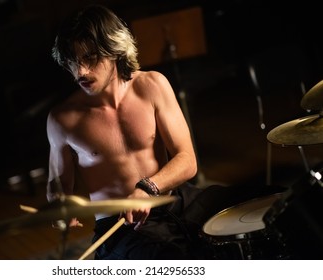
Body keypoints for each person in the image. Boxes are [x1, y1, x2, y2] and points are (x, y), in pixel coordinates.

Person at [46, 4, 219, 260]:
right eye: (72, 61)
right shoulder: (63, 119)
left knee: (265, 207)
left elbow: (187, 161)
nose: (80, 71)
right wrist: (61, 204)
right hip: (121, 226)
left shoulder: (152, 86)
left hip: (175, 201)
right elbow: (58, 185)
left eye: (90, 58)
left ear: (114, 50)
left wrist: (147, 188)